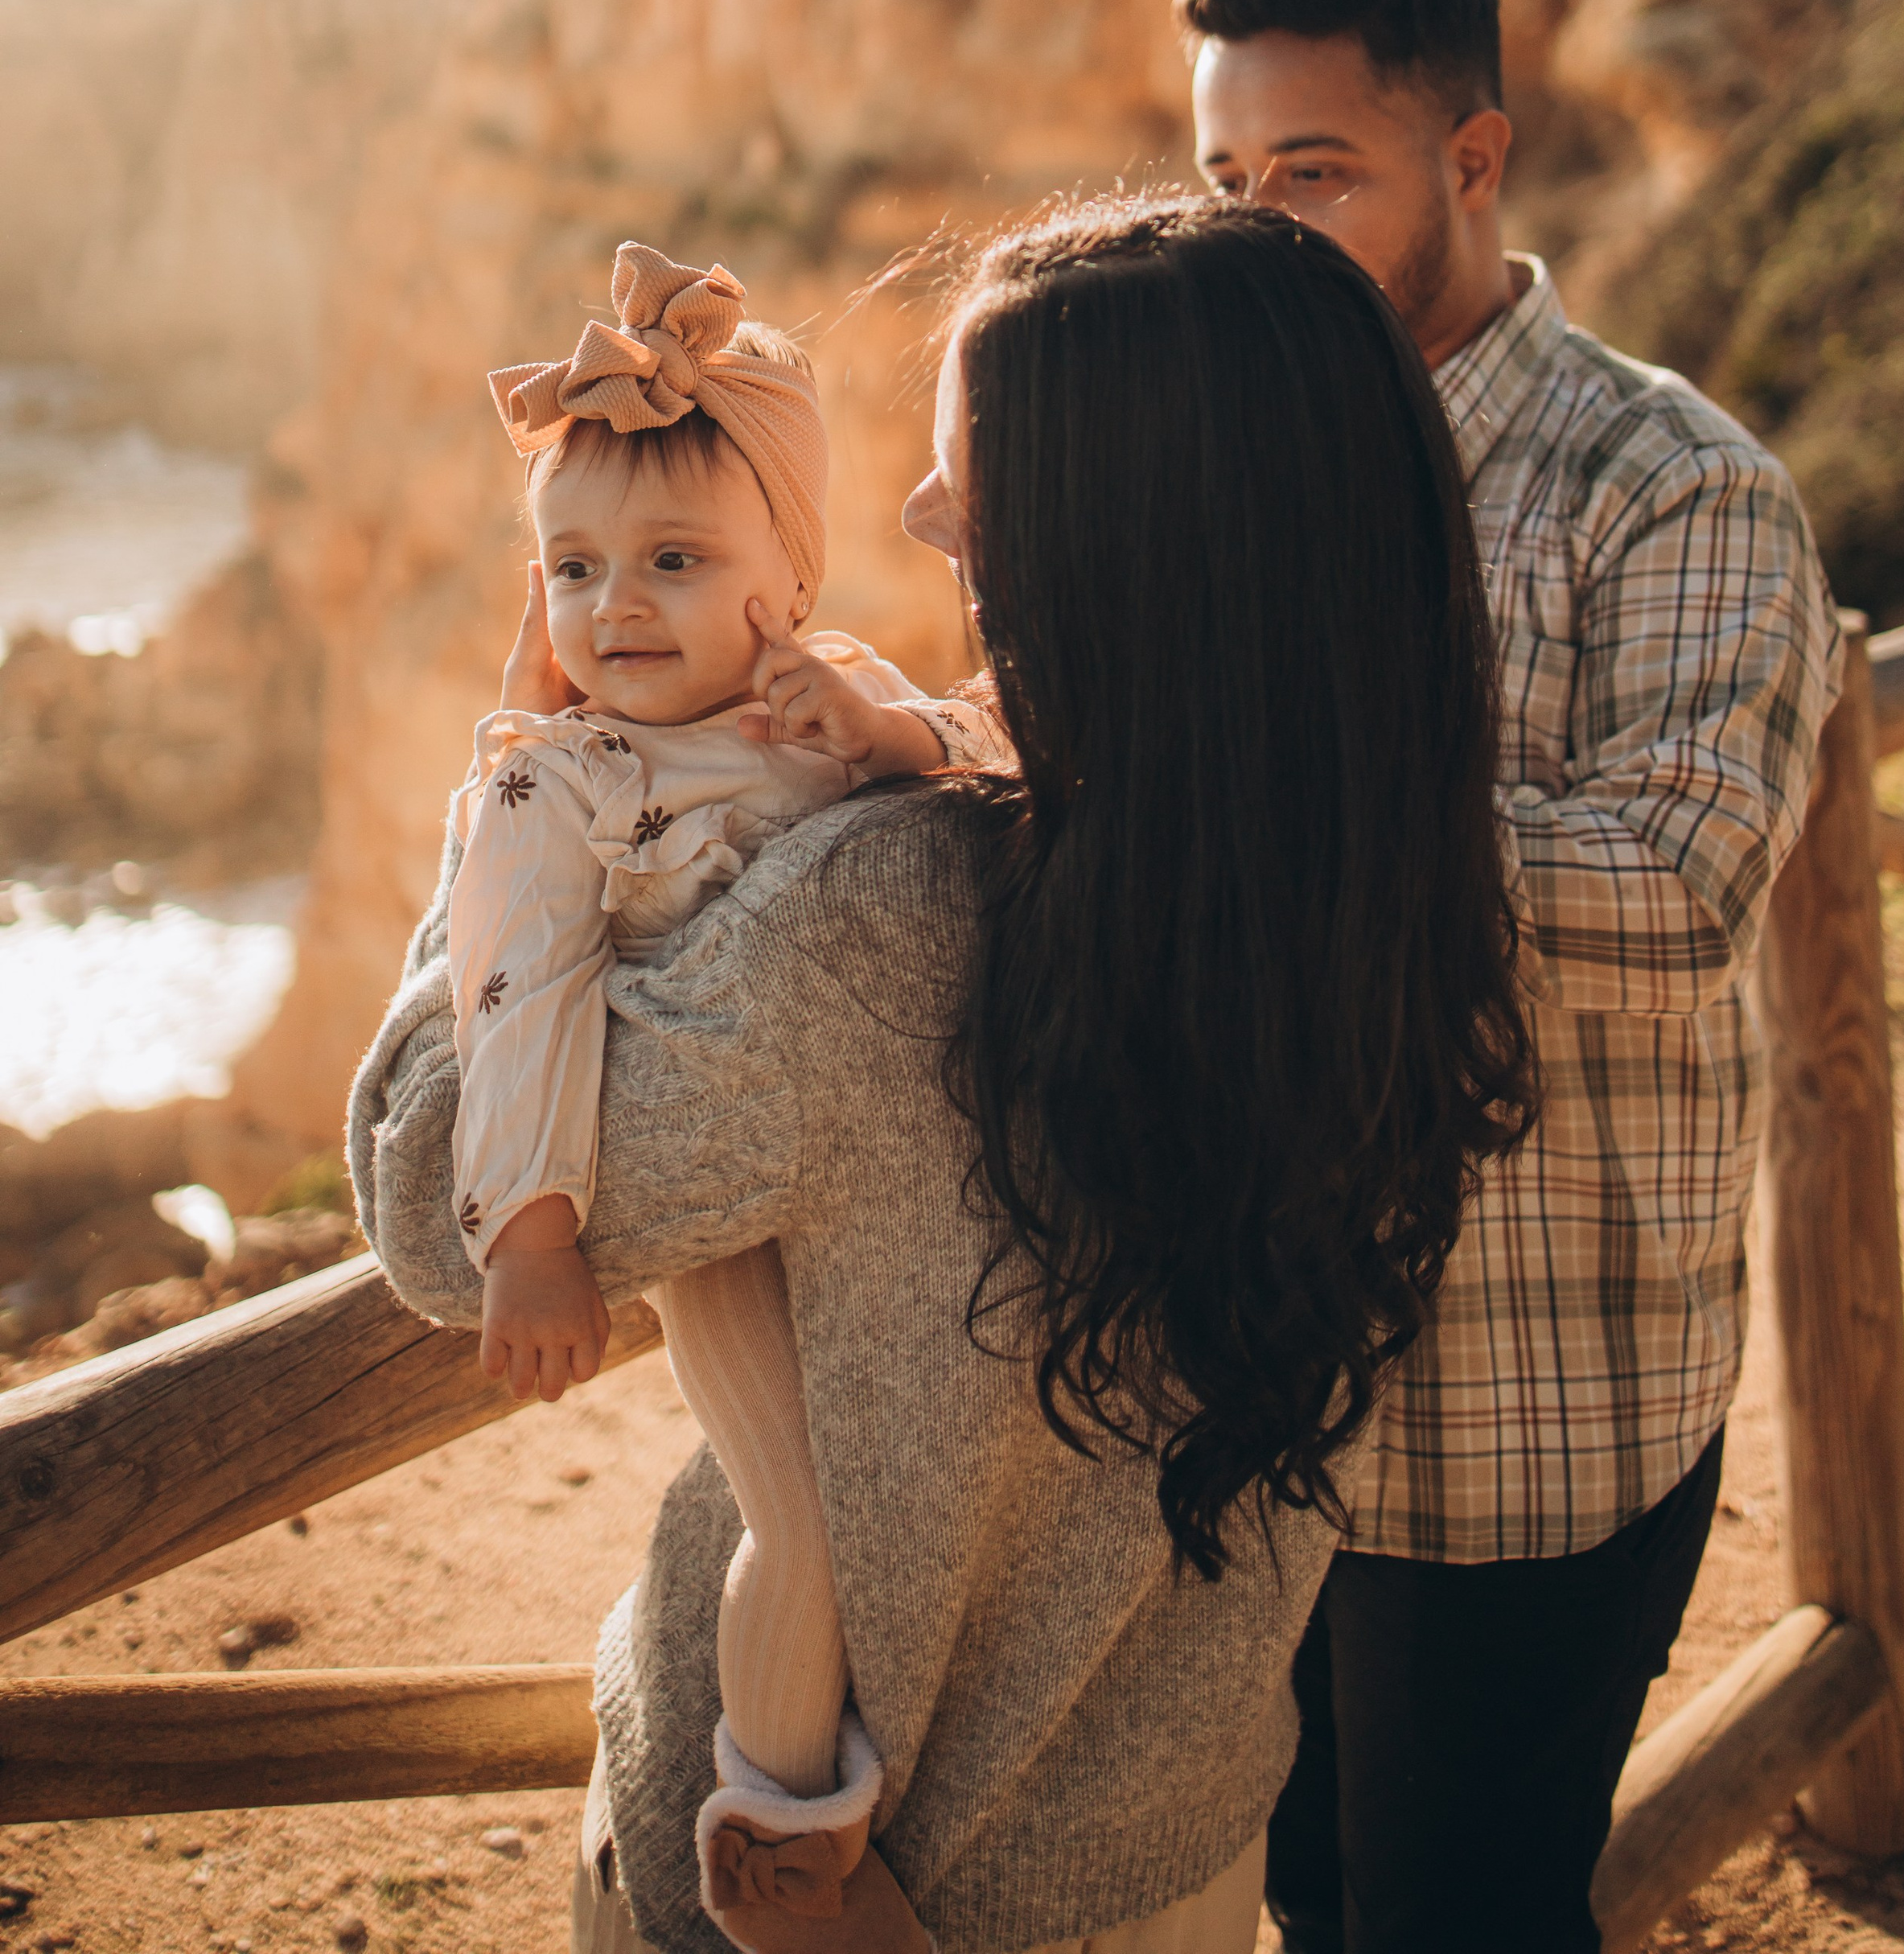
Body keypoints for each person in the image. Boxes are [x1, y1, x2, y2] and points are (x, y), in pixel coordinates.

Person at [350, 195, 1535, 1954]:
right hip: (1172, 1845)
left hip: (846, 1887)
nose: (913, 508)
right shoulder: (1409, 874)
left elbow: (438, 1197)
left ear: (1125, 531)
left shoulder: (880, 911)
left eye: (973, 465)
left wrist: (518, 810)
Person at [1178, 0, 1844, 1954]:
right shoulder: (1213, 467)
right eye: (1222, 184)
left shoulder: (1675, 484)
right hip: (1245, 1381)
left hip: (1530, 1403)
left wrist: (1290, 789)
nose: (1256, 231)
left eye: (1312, 174)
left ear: (1471, 160)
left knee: (1464, 1921)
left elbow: (1672, 884)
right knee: (1293, 1899)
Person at [443, 242, 1000, 1948]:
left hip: (880, 1201)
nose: (614, 609)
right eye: (575, 567)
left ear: (790, 573)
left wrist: (888, 735)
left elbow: (995, 759)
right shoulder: (560, 783)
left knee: (918, 1485)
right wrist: (533, 1237)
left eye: (675, 561)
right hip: (726, 1236)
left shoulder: (818, 703)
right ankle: (774, 1838)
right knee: (803, 1512)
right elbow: (514, 1003)